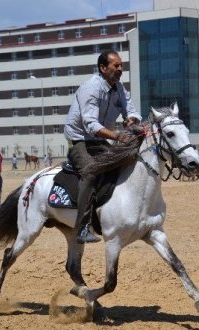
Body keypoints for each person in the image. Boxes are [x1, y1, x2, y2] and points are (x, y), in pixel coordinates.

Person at [64, 49, 141, 244]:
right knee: (91, 172)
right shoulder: (90, 88)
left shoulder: (120, 88)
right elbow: (91, 125)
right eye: (116, 66)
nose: (120, 69)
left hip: (99, 140)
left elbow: (131, 110)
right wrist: (117, 136)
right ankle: (82, 227)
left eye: (121, 65)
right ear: (103, 68)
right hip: (80, 140)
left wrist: (131, 120)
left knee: (127, 162)